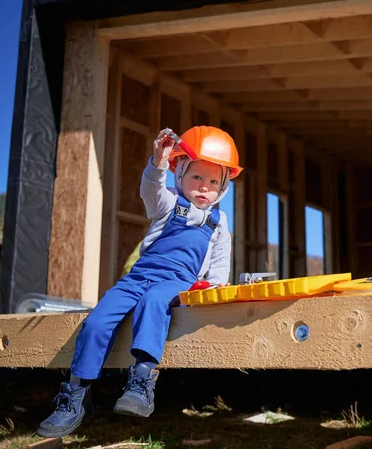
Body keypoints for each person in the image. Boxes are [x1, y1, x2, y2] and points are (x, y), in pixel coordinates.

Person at [38, 126, 242, 438]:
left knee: (155, 301)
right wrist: (159, 160)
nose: (204, 187)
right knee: (98, 321)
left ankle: (141, 380)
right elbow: (151, 190)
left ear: (223, 188)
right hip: (138, 277)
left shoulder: (218, 223)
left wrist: (213, 288)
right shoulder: (168, 203)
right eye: (196, 177)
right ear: (181, 175)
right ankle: (75, 396)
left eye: (213, 181)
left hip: (178, 282)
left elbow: (218, 267)